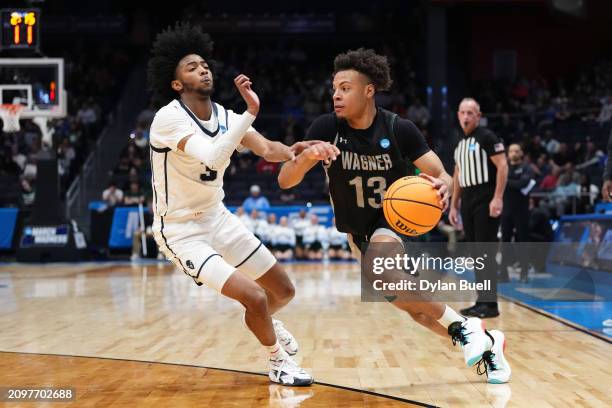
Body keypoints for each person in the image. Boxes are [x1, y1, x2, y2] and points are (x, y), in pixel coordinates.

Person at [278, 48, 510, 384]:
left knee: (381, 270)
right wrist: (308, 156)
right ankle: (487, 344)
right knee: (415, 310)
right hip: (356, 231)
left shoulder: (399, 129)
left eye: (345, 88)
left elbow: (442, 175)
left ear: (368, 90)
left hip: (393, 221)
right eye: (334, 89)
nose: (336, 95)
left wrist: (444, 188)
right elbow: (285, 180)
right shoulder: (326, 127)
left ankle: (470, 328)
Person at [147, 22, 314, 386]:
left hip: (218, 217)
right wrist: (251, 112)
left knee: (283, 290)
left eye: (204, 64)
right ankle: (278, 362)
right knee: (254, 295)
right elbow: (210, 156)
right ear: (177, 83)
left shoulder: (223, 115)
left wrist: (296, 151)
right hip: (180, 230)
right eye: (191, 67)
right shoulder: (168, 118)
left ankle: (263, 319)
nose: (203, 68)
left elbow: (268, 149)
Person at [449, 98, 508, 319]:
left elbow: (502, 166)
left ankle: (490, 304)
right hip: (468, 200)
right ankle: (481, 301)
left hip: (486, 197)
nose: (466, 116)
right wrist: (454, 205)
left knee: (485, 252)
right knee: (476, 254)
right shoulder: (459, 143)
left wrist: (498, 198)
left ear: (478, 116)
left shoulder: (487, 137)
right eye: (463, 112)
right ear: (458, 115)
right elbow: (457, 175)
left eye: (471, 113)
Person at [499, 144, 533, 283]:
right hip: (506, 210)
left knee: (523, 241)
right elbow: (512, 183)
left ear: (521, 153)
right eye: (511, 151)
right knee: (505, 242)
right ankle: (503, 273)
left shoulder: (526, 168)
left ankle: (524, 273)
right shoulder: (504, 167)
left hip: (521, 211)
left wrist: (506, 181)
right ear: (508, 153)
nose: (514, 153)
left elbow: (523, 184)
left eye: (517, 151)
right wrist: (513, 182)